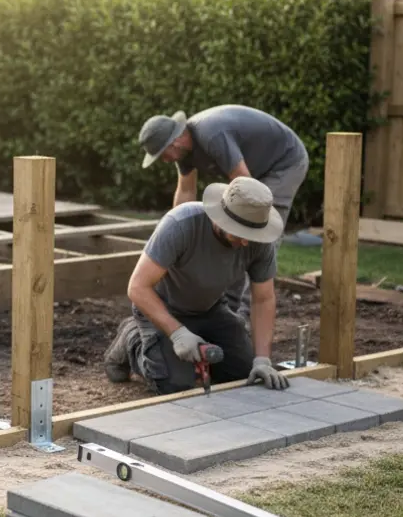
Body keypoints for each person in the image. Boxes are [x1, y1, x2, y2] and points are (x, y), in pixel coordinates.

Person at [103, 176, 289, 394]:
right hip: (162, 308)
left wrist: (262, 360)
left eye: (252, 234)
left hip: (210, 309)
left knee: (244, 373)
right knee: (174, 385)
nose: (246, 242)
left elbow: (263, 299)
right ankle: (131, 339)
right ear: (220, 219)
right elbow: (137, 287)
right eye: (240, 233)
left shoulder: (259, 241)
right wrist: (178, 334)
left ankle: (198, 346)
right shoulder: (181, 224)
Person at [136, 104, 309, 319]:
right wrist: (173, 234)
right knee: (232, 232)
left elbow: (245, 185)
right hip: (256, 170)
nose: (164, 160)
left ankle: (243, 316)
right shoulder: (185, 153)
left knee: (254, 232)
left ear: (175, 142)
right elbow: (186, 191)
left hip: (284, 163)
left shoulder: (212, 135)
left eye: (163, 154)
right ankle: (227, 309)